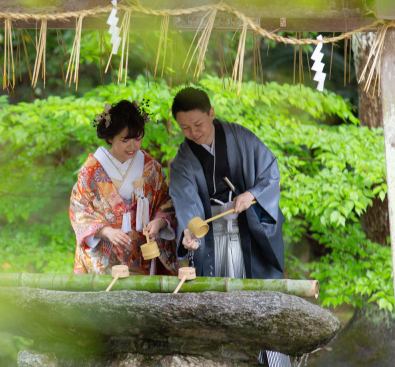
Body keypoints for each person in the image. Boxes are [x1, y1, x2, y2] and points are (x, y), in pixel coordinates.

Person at [168, 87, 288, 367]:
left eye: (198, 124)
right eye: (185, 128)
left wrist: (252, 195)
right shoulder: (183, 159)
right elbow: (185, 201)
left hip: (248, 231)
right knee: (216, 306)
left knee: (258, 302)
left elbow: (270, 173)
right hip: (212, 240)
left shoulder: (240, 137)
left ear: (211, 113)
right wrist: (189, 230)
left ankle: (271, 362)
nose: (194, 133)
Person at [70, 100, 177, 275]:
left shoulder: (151, 168)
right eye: (125, 140)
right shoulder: (91, 170)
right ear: (110, 137)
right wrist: (106, 231)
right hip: (106, 255)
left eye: (138, 138)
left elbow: (166, 203)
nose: (132, 146)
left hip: (143, 254)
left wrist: (159, 222)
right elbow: (80, 209)